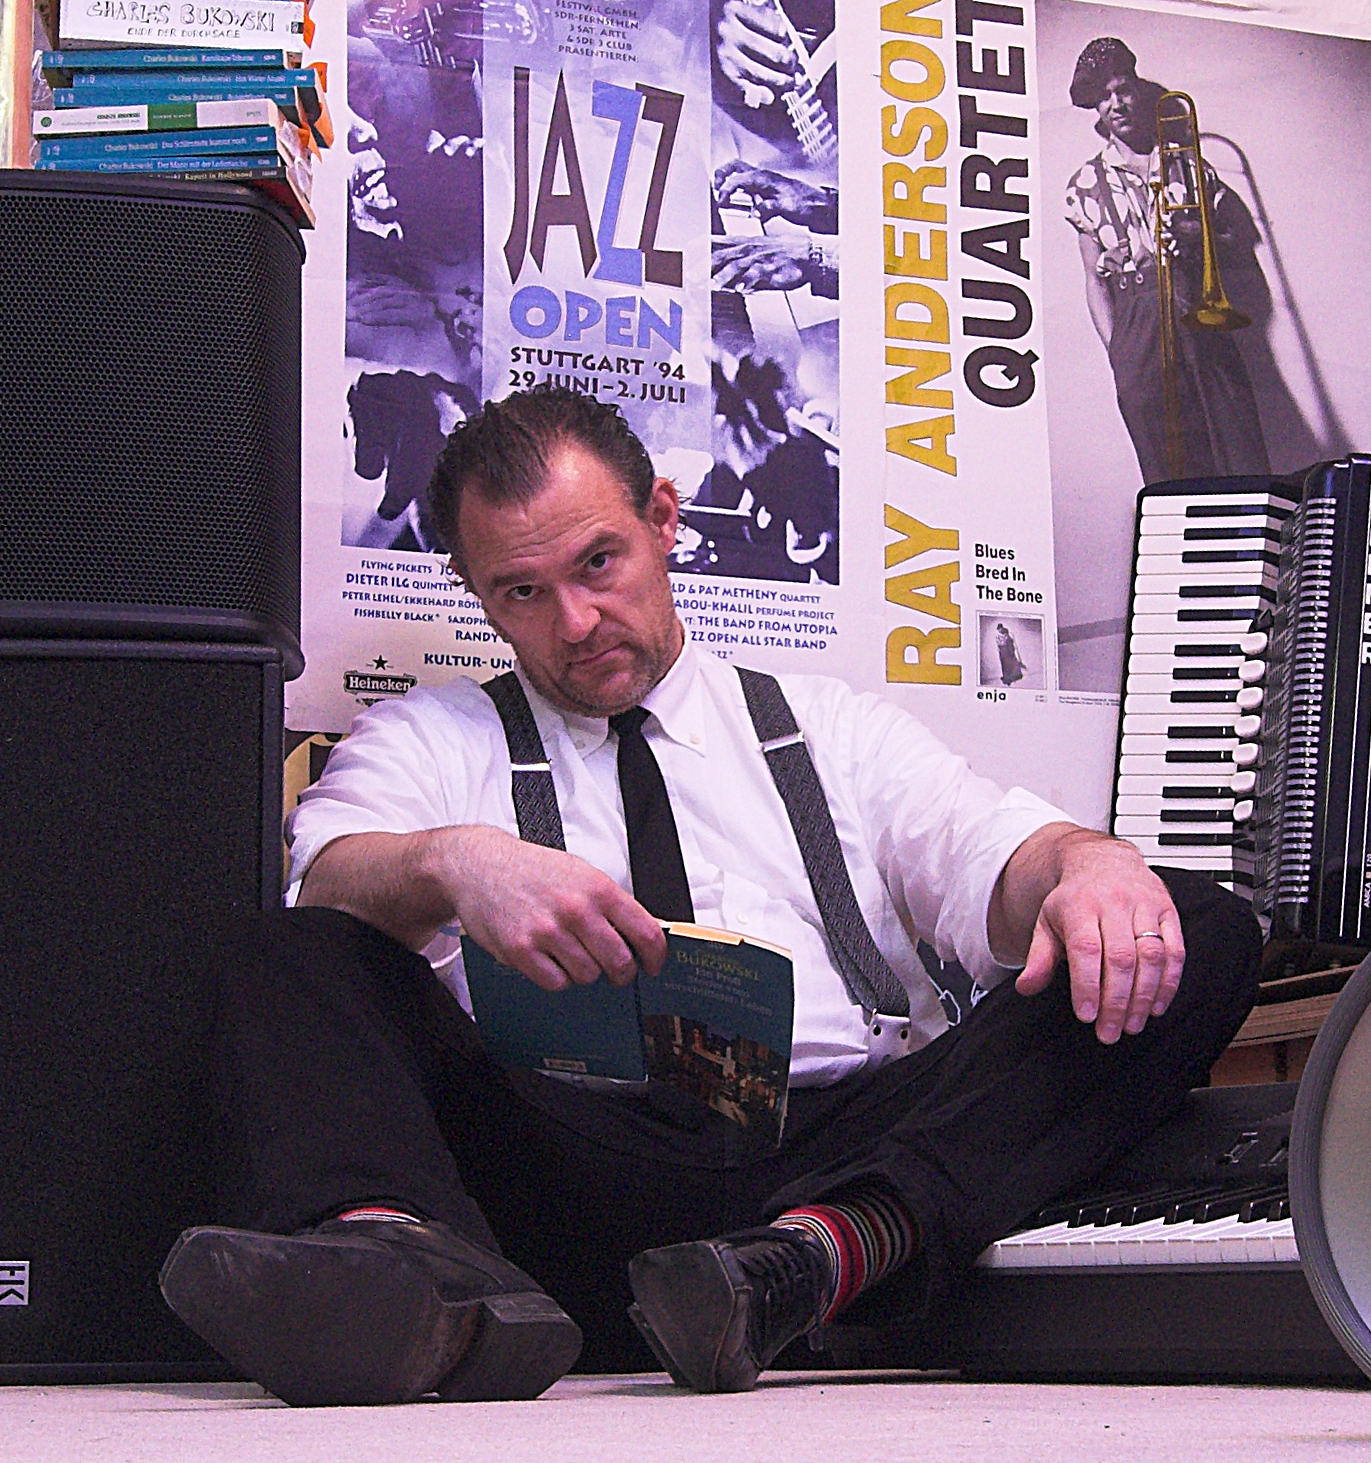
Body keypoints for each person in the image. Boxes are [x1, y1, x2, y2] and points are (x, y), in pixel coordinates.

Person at [158, 384, 1260, 1406]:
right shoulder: (435, 739)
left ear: (664, 520)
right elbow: (332, 867)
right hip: (563, 1171)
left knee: (1187, 923)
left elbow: (993, 856)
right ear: (476, 593)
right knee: (286, 948)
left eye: (599, 562)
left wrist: (1081, 863)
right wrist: (456, 861)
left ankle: (820, 1255)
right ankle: (398, 1273)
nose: (576, 621)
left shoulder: (827, 727)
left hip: (843, 1152)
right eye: (523, 592)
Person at [1063, 37, 1268, 485]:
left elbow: (1237, 244)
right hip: (1137, 321)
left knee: (1235, 443)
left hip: (1196, 307)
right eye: (1104, 97)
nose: (1117, 104)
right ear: (1096, 109)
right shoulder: (1084, 184)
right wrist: (1118, 351)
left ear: (1138, 91)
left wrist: (1200, 236)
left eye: (1123, 90)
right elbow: (1093, 279)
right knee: (1165, 461)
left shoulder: (1190, 165)